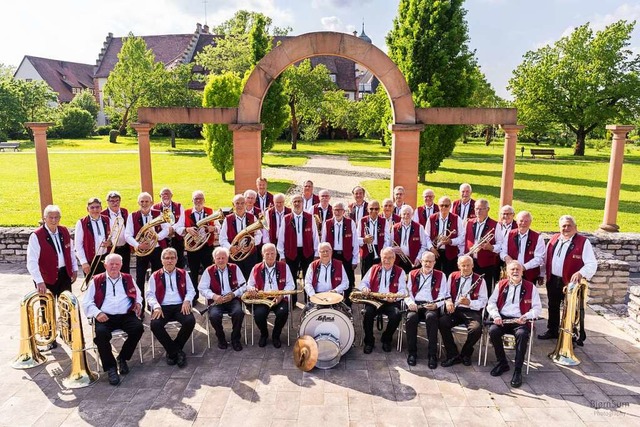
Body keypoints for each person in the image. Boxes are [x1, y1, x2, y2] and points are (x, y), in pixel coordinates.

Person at [82, 253, 143, 386]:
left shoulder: (128, 278)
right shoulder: (96, 280)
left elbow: (138, 295)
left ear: (121, 265)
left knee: (138, 328)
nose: (114, 266)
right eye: (111, 264)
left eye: (117, 264)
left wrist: (138, 303)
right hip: (105, 316)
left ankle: (122, 358)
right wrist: (97, 313)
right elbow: (87, 302)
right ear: (105, 265)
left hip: (125, 314)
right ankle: (110, 368)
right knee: (101, 335)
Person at [538, 215, 597, 341]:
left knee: (570, 309)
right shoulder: (554, 239)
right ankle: (552, 330)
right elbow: (546, 259)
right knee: (552, 305)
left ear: (575, 227)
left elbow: (591, 263)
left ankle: (570, 336)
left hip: (571, 283)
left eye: (569, 225)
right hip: (553, 279)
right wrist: (542, 274)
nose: (566, 228)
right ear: (559, 228)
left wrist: (581, 273)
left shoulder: (583, 242)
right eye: (563, 226)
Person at [27, 205, 78, 349]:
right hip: (46, 277)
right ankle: (49, 337)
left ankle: (66, 334)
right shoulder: (36, 236)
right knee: (46, 309)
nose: (54, 220)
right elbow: (31, 261)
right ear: (44, 219)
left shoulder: (64, 231)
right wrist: (39, 281)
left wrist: (73, 269)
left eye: (57, 217)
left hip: (64, 275)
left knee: (66, 306)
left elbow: (70, 252)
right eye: (51, 217)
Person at [487, 261, 542, 388]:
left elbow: (537, 308)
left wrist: (526, 316)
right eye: (512, 269)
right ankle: (502, 363)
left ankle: (518, 370)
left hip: (521, 320)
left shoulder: (530, 287)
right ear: (507, 272)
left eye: (518, 269)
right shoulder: (500, 285)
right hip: (503, 318)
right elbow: (491, 302)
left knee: (522, 335)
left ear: (522, 271)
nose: (515, 271)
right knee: (493, 331)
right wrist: (496, 315)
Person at [147, 248, 196, 367]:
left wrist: (187, 301)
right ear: (162, 260)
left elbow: (191, 290)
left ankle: (172, 351)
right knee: (155, 324)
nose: (169, 261)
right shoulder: (155, 275)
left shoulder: (183, 273)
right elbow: (149, 294)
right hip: (162, 307)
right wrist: (156, 306)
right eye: (167, 258)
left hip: (180, 305)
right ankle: (176, 352)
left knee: (190, 320)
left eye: (172, 258)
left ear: (176, 259)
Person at [439, 255, 487, 368]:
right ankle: (452, 354)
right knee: (442, 322)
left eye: (468, 265)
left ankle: (466, 353)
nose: (465, 268)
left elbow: (483, 301)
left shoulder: (480, 280)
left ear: (473, 265)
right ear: (458, 266)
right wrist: (448, 301)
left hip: (471, 311)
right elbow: (446, 293)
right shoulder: (452, 276)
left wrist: (469, 302)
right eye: (463, 265)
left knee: (476, 329)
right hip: (455, 309)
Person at [357, 247, 406, 354]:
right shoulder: (374, 268)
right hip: (374, 299)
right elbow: (363, 283)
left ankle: (386, 339)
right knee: (367, 313)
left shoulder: (400, 271)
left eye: (390, 258)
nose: (387, 260)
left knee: (396, 315)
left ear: (394, 258)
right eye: (384, 257)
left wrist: (395, 297)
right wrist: (364, 288)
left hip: (391, 301)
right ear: (381, 257)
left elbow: (403, 290)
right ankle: (369, 341)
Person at [125, 192, 169, 310]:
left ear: (151, 202)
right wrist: (138, 245)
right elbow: (127, 235)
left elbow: (166, 230)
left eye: (147, 201)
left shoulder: (158, 214)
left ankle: (156, 306)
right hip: (142, 252)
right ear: (138, 203)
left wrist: (156, 237)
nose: (144, 204)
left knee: (158, 278)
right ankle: (141, 306)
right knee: (140, 279)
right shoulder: (132, 215)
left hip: (156, 250)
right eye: (142, 201)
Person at [246, 243, 296, 348]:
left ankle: (276, 335)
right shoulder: (256, 268)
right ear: (262, 255)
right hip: (262, 298)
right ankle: (264, 334)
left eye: (272, 253)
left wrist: (281, 295)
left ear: (276, 254)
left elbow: (291, 284)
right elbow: (249, 284)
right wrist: (252, 289)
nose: (270, 256)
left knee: (283, 312)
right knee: (259, 314)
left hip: (279, 297)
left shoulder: (284, 266)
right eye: (267, 254)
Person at [404, 251, 448, 368]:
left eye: (430, 261)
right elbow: (407, 293)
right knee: (411, 318)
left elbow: (444, 294)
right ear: (421, 262)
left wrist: (436, 305)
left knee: (432, 317)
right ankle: (412, 353)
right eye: (425, 261)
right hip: (416, 304)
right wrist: (411, 303)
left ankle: (432, 354)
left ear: (434, 262)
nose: (427, 264)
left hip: (432, 304)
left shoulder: (441, 275)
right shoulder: (412, 273)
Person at [198, 247, 247, 351]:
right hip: (217, 300)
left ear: (227, 258)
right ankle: (221, 338)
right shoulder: (208, 270)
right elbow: (201, 288)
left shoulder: (235, 268)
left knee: (239, 313)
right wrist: (214, 296)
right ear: (214, 259)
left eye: (223, 258)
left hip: (232, 299)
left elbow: (244, 286)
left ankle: (235, 339)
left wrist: (234, 294)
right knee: (214, 316)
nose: (220, 260)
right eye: (218, 258)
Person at [277, 194, 319, 305]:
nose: (297, 203)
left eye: (299, 201)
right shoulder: (286, 219)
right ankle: (293, 301)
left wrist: (316, 253)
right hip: (291, 252)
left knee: (308, 277)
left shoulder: (310, 217)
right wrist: (281, 255)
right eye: (295, 201)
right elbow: (281, 238)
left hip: (307, 252)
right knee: (291, 277)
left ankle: (308, 300)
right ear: (291, 204)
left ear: (303, 203)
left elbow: (315, 236)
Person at [181, 190, 218, 303]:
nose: (198, 200)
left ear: (204, 200)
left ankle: (211, 296)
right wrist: (187, 229)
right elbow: (178, 228)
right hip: (193, 248)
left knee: (210, 271)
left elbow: (219, 227)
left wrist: (214, 228)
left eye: (200, 198)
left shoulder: (210, 211)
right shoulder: (186, 213)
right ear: (192, 200)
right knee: (194, 272)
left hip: (207, 247)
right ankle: (194, 296)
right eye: (196, 198)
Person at [321, 202, 359, 304]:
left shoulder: (350, 223)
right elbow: (323, 241)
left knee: (349, 279)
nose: (337, 212)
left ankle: (348, 303)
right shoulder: (327, 223)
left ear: (343, 211)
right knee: (333, 277)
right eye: (335, 210)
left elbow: (355, 242)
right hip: (332, 256)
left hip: (346, 255)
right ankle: (334, 301)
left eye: (339, 210)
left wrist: (355, 259)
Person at [463, 198, 502, 294]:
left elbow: (501, 245)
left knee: (485, 290)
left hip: (486, 264)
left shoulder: (495, 225)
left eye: (481, 209)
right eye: (476, 208)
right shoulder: (469, 222)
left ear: (488, 209)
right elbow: (463, 240)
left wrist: (491, 247)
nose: (478, 211)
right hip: (470, 262)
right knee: (470, 289)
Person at [219, 194, 262, 280]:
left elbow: (259, 235)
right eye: (237, 203)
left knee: (250, 279)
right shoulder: (228, 219)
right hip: (234, 256)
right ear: (233, 204)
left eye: (242, 203)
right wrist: (230, 248)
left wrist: (251, 245)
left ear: (246, 204)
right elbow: (222, 238)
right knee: (236, 280)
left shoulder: (252, 217)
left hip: (250, 255)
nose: (240, 205)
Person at [500, 211, 545, 284]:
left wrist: (523, 267)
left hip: (529, 275)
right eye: (521, 221)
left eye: (526, 221)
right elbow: (502, 251)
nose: (523, 223)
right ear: (517, 221)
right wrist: (506, 257)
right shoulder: (509, 234)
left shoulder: (538, 238)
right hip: (511, 274)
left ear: (530, 222)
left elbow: (539, 258)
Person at [425, 196, 464, 276]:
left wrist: (451, 241)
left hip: (450, 253)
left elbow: (462, 237)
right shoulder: (431, 218)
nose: (444, 207)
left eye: (446, 205)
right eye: (441, 205)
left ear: (450, 206)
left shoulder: (457, 219)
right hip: (435, 253)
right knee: (434, 277)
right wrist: (431, 248)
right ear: (438, 206)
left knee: (449, 276)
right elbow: (426, 236)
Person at [75, 197, 110, 280]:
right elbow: (78, 245)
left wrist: (110, 242)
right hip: (90, 260)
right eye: (92, 207)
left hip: (105, 258)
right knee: (91, 286)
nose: (95, 210)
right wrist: (84, 262)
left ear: (101, 208)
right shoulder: (81, 223)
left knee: (105, 285)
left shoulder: (107, 219)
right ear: (87, 209)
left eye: (97, 207)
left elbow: (113, 236)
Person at [153, 187, 186, 268]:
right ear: (160, 196)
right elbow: (156, 222)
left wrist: (173, 228)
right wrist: (168, 230)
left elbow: (181, 221)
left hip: (177, 239)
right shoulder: (154, 208)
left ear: (172, 195)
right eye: (163, 194)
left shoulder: (179, 206)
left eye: (167, 194)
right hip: (162, 240)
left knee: (179, 263)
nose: (165, 196)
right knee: (161, 264)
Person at [357, 200, 389, 277]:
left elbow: (387, 239)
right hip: (365, 252)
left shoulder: (384, 221)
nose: (374, 211)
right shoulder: (362, 221)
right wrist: (364, 240)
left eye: (376, 209)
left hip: (379, 251)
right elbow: (356, 239)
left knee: (378, 275)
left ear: (379, 210)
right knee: (365, 275)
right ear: (367, 209)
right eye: (371, 209)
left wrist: (383, 251)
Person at [391, 205, 427, 273]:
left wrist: (418, 258)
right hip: (398, 261)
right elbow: (391, 244)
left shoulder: (419, 227)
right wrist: (393, 249)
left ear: (412, 215)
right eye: (404, 214)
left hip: (414, 260)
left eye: (408, 214)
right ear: (401, 215)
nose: (406, 216)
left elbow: (424, 245)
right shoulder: (394, 227)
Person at [102, 191, 130, 274]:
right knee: (112, 272)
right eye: (112, 201)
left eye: (117, 200)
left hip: (125, 248)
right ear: (108, 202)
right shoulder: (103, 214)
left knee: (125, 272)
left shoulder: (124, 211)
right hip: (112, 249)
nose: (115, 203)